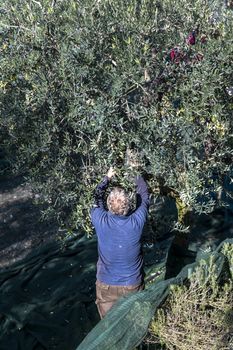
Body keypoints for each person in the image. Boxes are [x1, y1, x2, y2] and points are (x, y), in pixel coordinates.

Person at [91, 166, 150, 319]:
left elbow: (96, 197)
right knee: (134, 324)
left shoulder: (100, 220)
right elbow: (144, 195)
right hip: (132, 285)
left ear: (109, 205)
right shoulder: (136, 223)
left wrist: (107, 178)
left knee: (109, 328)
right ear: (128, 205)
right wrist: (135, 172)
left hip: (106, 286)